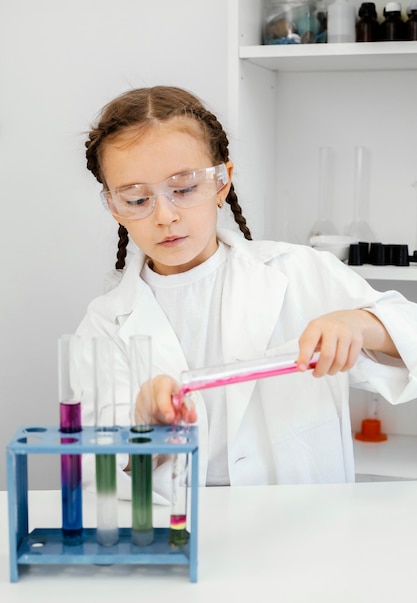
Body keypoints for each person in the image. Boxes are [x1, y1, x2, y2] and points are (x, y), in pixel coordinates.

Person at [77, 85, 417, 502]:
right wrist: (140, 425)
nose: (165, 215)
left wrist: (364, 326)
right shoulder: (105, 323)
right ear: (114, 206)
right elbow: (94, 470)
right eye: (137, 198)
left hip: (302, 525)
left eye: (183, 189)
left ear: (222, 182)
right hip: (180, 531)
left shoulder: (301, 273)